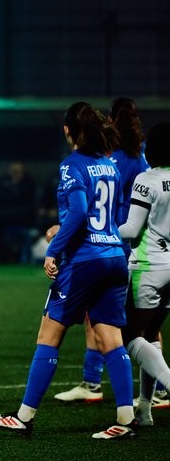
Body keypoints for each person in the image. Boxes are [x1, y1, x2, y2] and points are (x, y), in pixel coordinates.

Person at [0, 102, 136, 439]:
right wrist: (66, 225)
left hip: (84, 260)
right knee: (111, 337)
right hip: (114, 255)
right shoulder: (109, 165)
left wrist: (54, 250)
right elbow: (106, 214)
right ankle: (126, 420)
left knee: (49, 335)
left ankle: (24, 416)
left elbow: (81, 212)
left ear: (69, 130)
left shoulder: (72, 165)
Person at [53, 97, 167, 404]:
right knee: (145, 325)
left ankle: (107, 386)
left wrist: (62, 234)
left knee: (122, 327)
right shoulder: (140, 157)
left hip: (116, 246)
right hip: (141, 246)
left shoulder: (109, 160)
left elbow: (92, 210)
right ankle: (142, 397)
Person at [117, 121, 170, 426]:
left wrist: (99, 230)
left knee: (130, 338)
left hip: (148, 267)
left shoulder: (146, 179)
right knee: (150, 337)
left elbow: (132, 229)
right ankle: (145, 410)